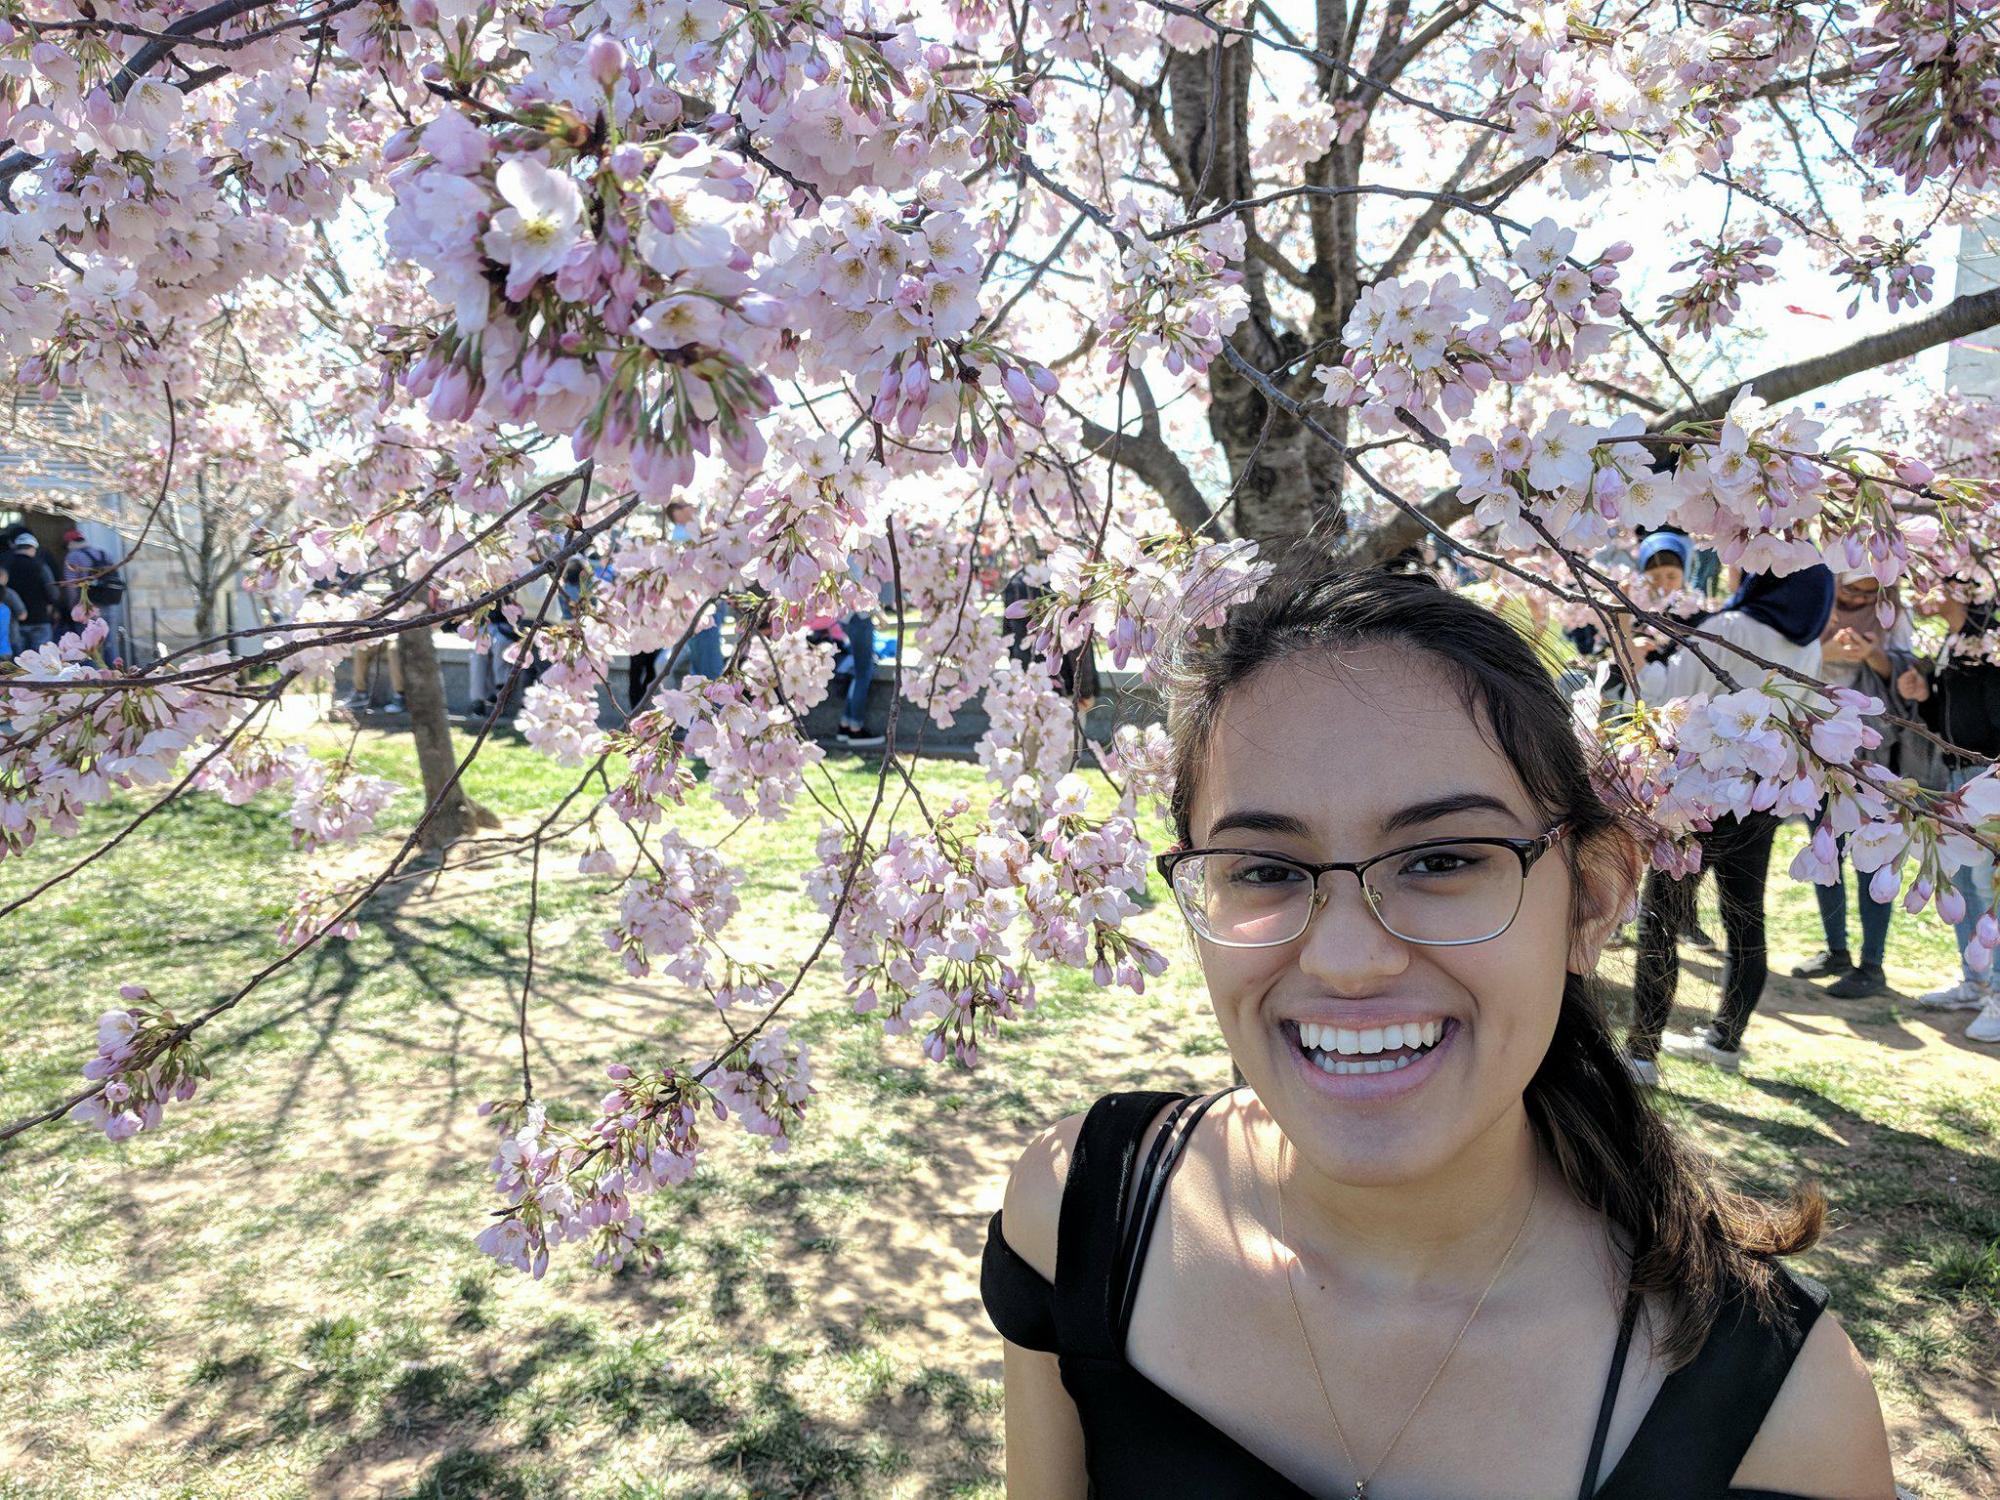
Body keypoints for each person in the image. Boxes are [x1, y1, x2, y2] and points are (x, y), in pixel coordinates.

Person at [984, 564, 1892, 1499]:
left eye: (1446, 858)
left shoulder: (1787, 1413)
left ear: (1592, 899)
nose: (1346, 960)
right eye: (1263, 869)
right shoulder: (1077, 1213)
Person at [1621, 566, 1836, 1075]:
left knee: (1662, 918)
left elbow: (1665, 698)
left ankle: (1642, 1050)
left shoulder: (1732, 626)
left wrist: (1633, 658)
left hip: (1697, 796)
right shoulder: (1810, 646)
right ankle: (1725, 1041)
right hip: (1760, 799)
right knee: (1745, 919)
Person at [1789, 572, 1916, 999]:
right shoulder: (1814, 604)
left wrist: (1872, 657)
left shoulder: (1893, 615)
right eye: (1850, 590)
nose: (1859, 598)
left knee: (1872, 852)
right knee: (1826, 852)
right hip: (1816, 747)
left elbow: (1907, 674)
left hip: (1873, 753)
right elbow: (1786, 660)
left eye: (1869, 592)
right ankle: (1836, 950)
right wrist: (1822, 650)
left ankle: (1872, 963)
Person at [1905, 594, 2000, 1041]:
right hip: (1956, 770)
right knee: (1963, 879)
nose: (1922, 590)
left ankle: (1997, 994)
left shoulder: (1989, 642)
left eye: (1932, 581)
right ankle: (1975, 982)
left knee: (1988, 885)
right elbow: (1949, 717)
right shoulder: (1951, 641)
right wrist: (1926, 697)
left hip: (1988, 774)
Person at [58, 527, 127, 665]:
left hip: (89, 606)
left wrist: (74, 607)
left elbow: (71, 584)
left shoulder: (73, 556)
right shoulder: (103, 553)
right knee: (110, 642)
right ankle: (116, 675)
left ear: (69, 543)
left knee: (90, 645)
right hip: (109, 603)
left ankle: (95, 675)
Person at [3, 533, 58, 651]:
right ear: (33, 548)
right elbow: (53, 592)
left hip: (15, 622)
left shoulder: (6, 566)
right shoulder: (41, 566)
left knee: (20, 662)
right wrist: (53, 606)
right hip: (40, 619)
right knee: (42, 660)